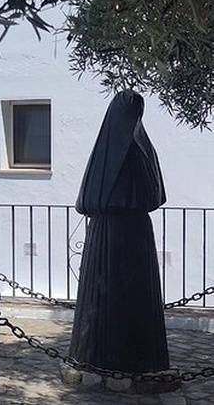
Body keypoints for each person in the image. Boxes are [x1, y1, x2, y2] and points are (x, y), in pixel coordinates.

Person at [69, 90, 169, 372]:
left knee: (111, 299)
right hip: (132, 234)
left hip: (111, 234)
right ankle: (137, 358)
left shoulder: (111, 147)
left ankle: (103, 357)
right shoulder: (144, 148)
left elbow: (89, 199)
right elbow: (155, 196)